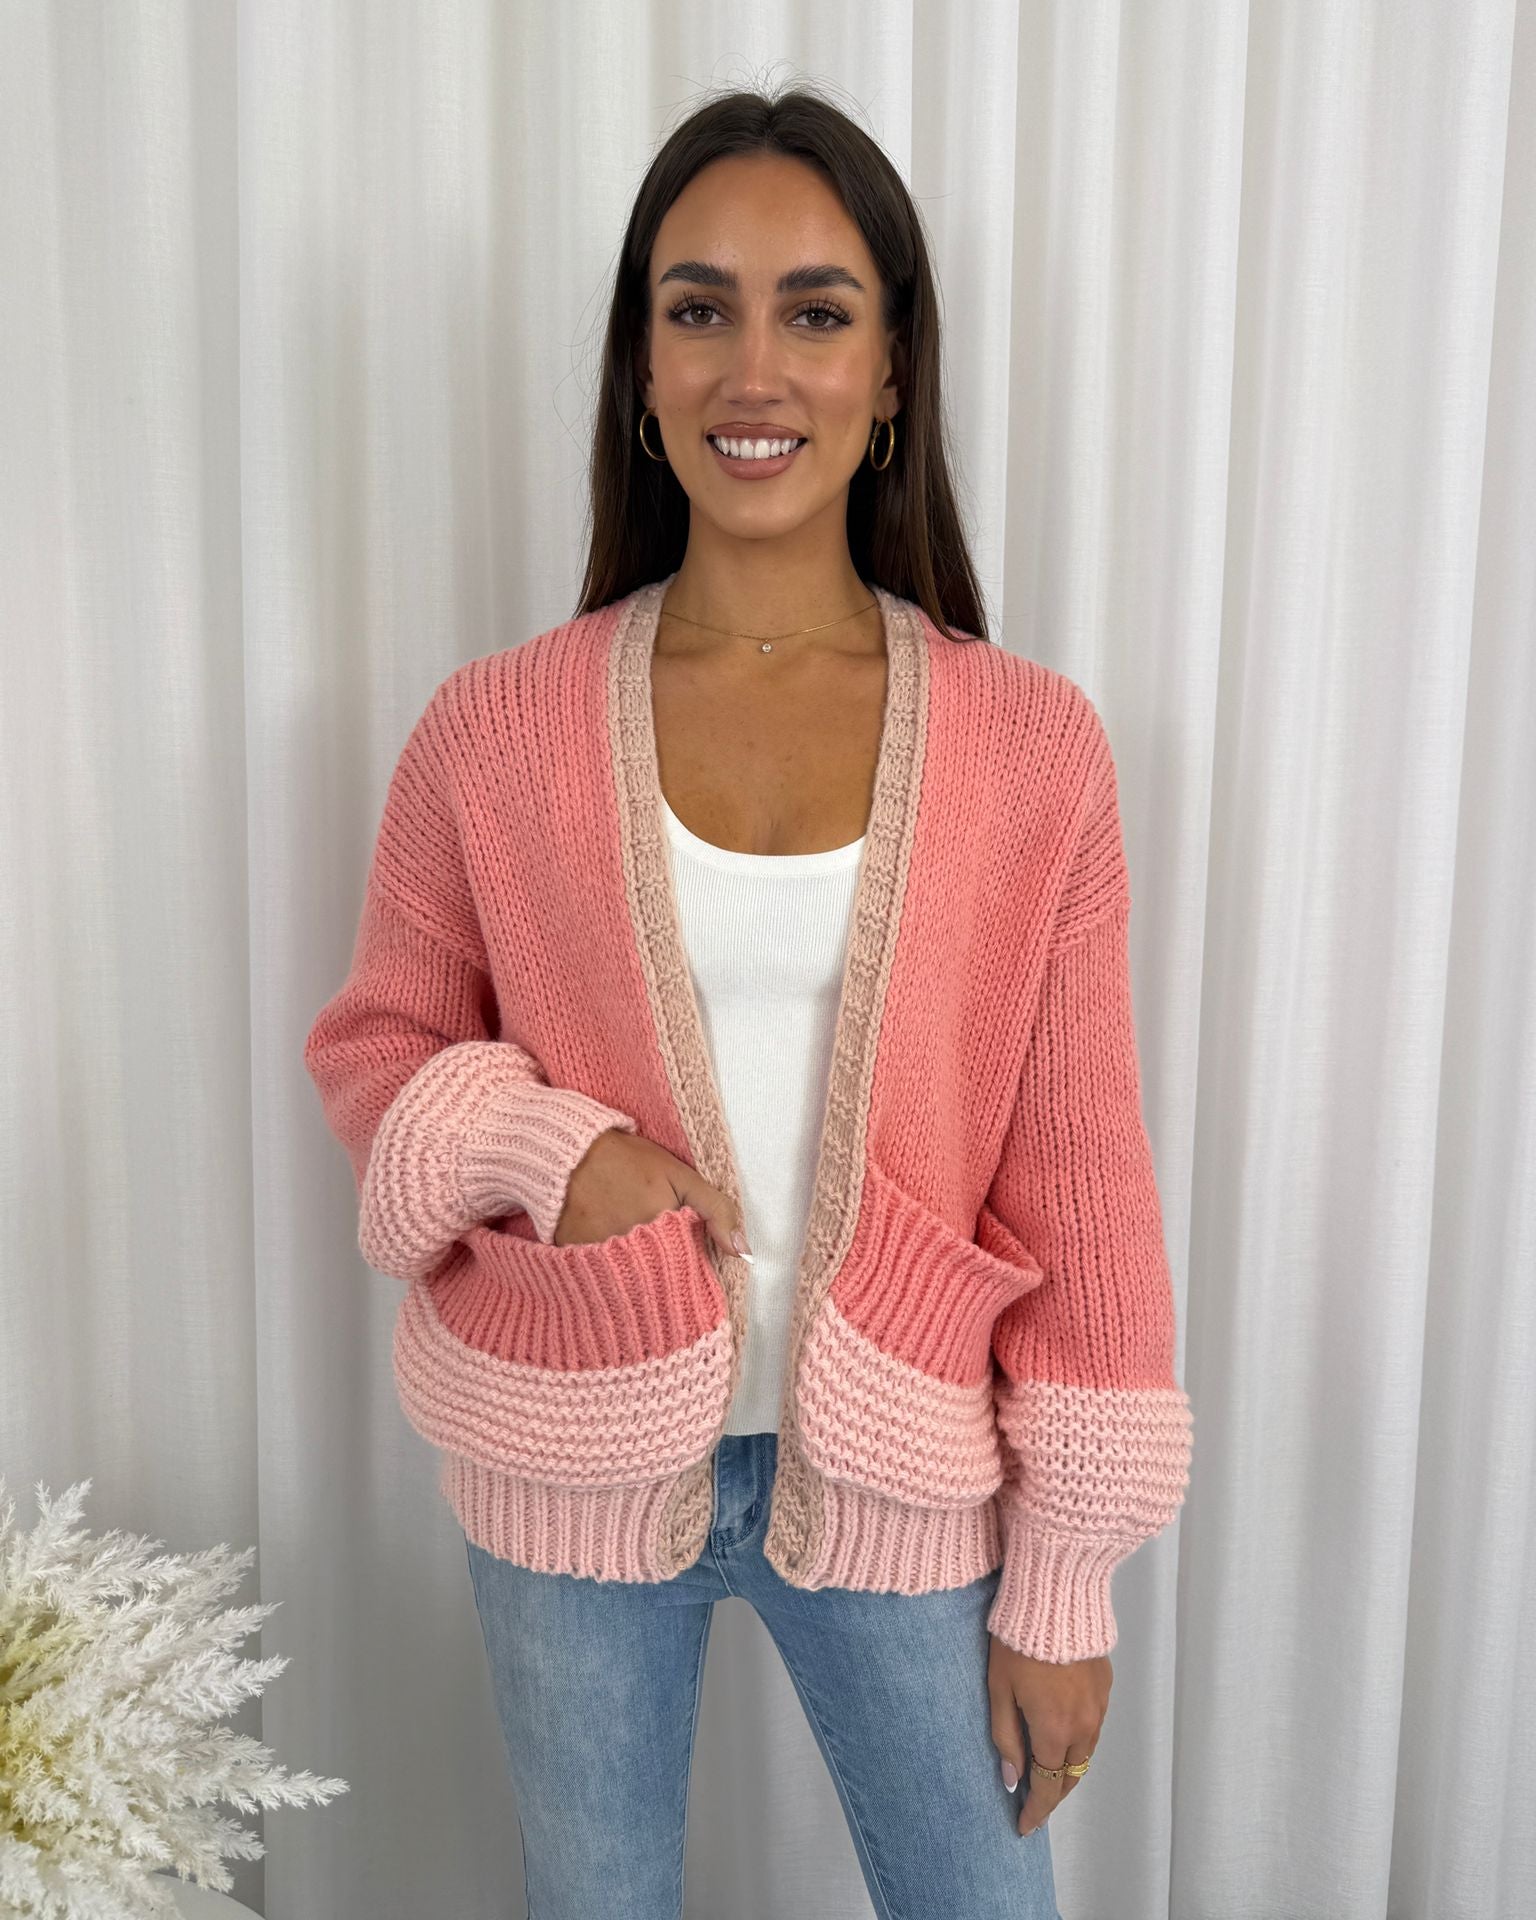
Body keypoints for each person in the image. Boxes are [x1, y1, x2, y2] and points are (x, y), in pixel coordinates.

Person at [304, 83, 1192, 1920]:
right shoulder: (496, 731)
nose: (754, 369)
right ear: (642, 369)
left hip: (905, 1468)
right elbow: (381, 1056)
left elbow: (1082, 1176)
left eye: (817, 311)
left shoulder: (1032, 750)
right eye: (699, 308)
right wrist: (554, 1154)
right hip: (568, 1451)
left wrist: (1066, 1578)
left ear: (891, 373)